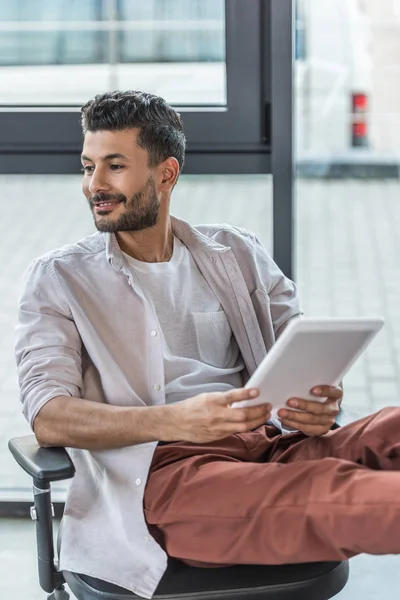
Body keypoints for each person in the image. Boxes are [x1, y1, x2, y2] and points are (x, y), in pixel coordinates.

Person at [15, 90, 400, 599]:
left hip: (272, 447)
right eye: (88, 167)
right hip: (170, 478)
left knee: (390, 425)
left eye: (114, 166)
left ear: (165, 175)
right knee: (337, 496)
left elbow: (299, 351)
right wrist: (178, 420)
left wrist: (318, 405)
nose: (94, 185)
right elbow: (48, 415)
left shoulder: (237, 252)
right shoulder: (59, 278)